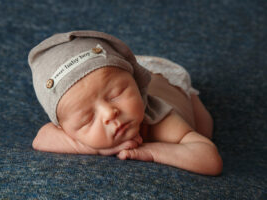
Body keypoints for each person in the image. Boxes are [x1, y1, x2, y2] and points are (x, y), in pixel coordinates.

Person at [28, 30, 223, 176]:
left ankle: (189, 95)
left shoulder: (160, 119)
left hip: (168, 77)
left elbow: (210, 160)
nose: (109, 113)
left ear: (136, 85)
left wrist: (149, 151)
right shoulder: (70, 120)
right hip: (111, 67)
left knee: (205, 128)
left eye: (116, 95)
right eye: (87, 118)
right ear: (64, 128)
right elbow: (40, 139)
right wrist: (98, 148)